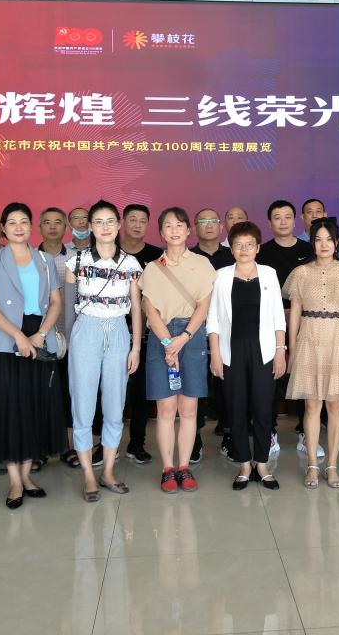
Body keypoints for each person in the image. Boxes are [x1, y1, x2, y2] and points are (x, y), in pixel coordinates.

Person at [0, 202, 67, 509]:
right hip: (6, 340)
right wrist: (18, 336)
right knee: (10, 410)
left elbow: (56, 302)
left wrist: (40, 335)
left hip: (40, 337)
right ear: (4, 228)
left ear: (31, 226)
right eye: (12, 222)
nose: (18, 227)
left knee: (34, 407)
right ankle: (14, 481)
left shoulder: (45, 259)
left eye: (24, 221)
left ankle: (27, 476)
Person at [66, 200, 143, 501]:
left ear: (119, 224)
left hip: (119, 331)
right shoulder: (76, 261)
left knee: (114, 404)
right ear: (90, 226)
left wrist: (136, 347)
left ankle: (108, 470)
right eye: (98, 222)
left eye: (110, 221)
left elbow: (136, 308)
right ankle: (88, 474)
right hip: (86, 330)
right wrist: (70, 341)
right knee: (83, 404)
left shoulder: (131, 263)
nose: (105, 227)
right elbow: (69, 307)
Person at [139, 207, 216, 493]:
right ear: (161, 232)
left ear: (188, 230)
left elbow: (204, 306)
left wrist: (182, 338)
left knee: (188, 408)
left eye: (179, 225)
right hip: (161, 337)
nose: (174, 231)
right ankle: (167, 469)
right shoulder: (152, 267)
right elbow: (149, 309)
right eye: (168, 226)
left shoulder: (202, 263)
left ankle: (184, 467)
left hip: (192, 337)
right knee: (166, 408)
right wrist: (167, 343)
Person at [284, 218, 339, 489]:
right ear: (312, 243)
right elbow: (295, 313)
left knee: (335, 404)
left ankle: (332, 465)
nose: (324, 244)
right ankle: (312, 465)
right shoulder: (301, 273)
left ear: (337, 242)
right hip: (309, 336)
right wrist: (292, 348)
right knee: (312, 404)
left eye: (329, 239)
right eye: (318, 239)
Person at [207, 221, 286, 490]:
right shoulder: (221, 276)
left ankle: (262, 464)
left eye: (249, 244)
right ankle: (243, 464)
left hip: (264, 349)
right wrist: (215, 354)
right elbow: (213, 319)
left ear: (257, 247)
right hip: (231, 349)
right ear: (231, 249)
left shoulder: (269, 274)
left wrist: (280, 351)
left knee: (263, 407)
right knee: (236, 407)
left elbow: (278, 317)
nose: (244, 249)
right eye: (238, 245)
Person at [256, 200, 314, 456]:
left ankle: (306, 431)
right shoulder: (262, 252)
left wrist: (298, 313)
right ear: (269, 223)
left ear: (296, 220)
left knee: (305, 378)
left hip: (306, 323)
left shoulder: (309, 250)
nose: (283, 221)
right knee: (270, 379)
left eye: (287, 216)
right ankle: (269, 432)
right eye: (277, 217)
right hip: (270, 324)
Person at [119, 204, 163, 465]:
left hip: (147, 335)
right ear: (123, 222)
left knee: (142, 392)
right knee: (111, 391)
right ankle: (106, 444)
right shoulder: (110, 251)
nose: (137, 225)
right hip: (115, 332)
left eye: (142, 220)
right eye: (132, 219)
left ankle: (137, 443)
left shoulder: (157, 256)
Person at [38, 207, 81, 471]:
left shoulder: (76, 258)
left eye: (58, 222)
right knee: (40, 393)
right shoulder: (30, 258)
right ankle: (40, 448)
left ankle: (68, 447)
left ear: (66, 227)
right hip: (39, 338)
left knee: (69, 392)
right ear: (39, 227)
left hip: (71, 335)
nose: (53, 227)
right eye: (47, 222)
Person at [191, 207, 236, 460]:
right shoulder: (186, 257)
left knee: (227, 384)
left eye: (213, 221)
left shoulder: (234, 255)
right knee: (195, 384)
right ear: (194, 227)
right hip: (194, 329)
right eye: (203, 221)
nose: (208, 225)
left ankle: (229, 434)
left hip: (228, 329)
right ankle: (194, 438)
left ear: (221, 227)